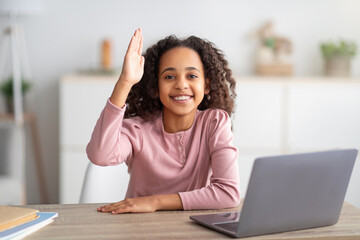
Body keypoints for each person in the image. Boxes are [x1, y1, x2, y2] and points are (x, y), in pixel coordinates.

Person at [86, 28, 240, 214]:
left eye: (191, 76)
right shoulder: (137, 129)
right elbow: (100, 155)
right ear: (156, 87)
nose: (181, 84)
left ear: (206, 85)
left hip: (193, 229)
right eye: (169, 77)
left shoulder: (214, 122)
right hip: (139, 228)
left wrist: (155, 202)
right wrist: (125, 82)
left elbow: (228, 193)